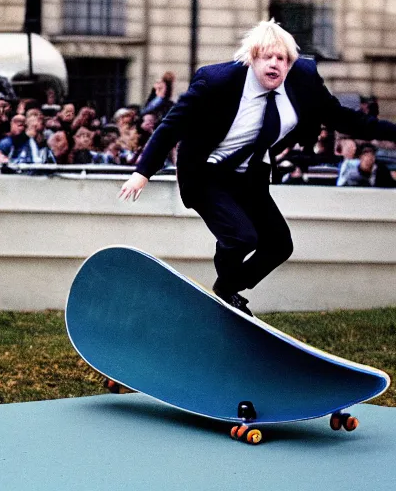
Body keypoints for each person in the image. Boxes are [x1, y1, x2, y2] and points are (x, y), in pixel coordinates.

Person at [119, 19, 396, 316]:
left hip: (250, 176)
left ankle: (227, 288)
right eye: (268, 57)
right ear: (253, 58)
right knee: (242, 237)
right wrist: (142, 172)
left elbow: (346, 119)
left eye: (282, 59)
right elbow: (171, 125)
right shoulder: (217, 82)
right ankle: (226, 286)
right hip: (206, 174)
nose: (275, 65)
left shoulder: (303, 81)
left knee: (279, 245)